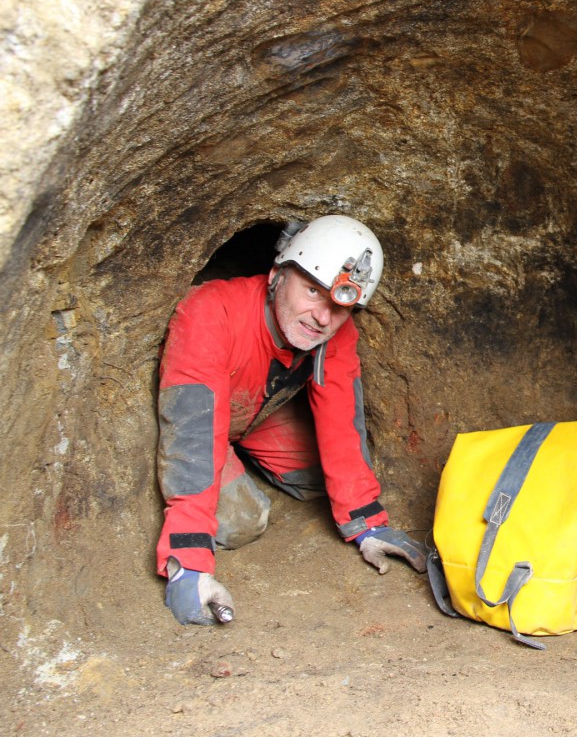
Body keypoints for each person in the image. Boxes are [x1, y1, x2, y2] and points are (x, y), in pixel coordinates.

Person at [155, 214, 427, 626]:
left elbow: (341, 421)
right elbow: (192, 436)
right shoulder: (210, 312)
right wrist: (188, 563)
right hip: (203, 417)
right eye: (313, 291)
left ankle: (238, 459)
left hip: (252, 415)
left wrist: (368, 525)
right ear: (277, 274)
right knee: (243, 520)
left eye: (340, 307)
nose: (322, 318)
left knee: (322, 482)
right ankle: (225, 482)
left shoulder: (337, 332)